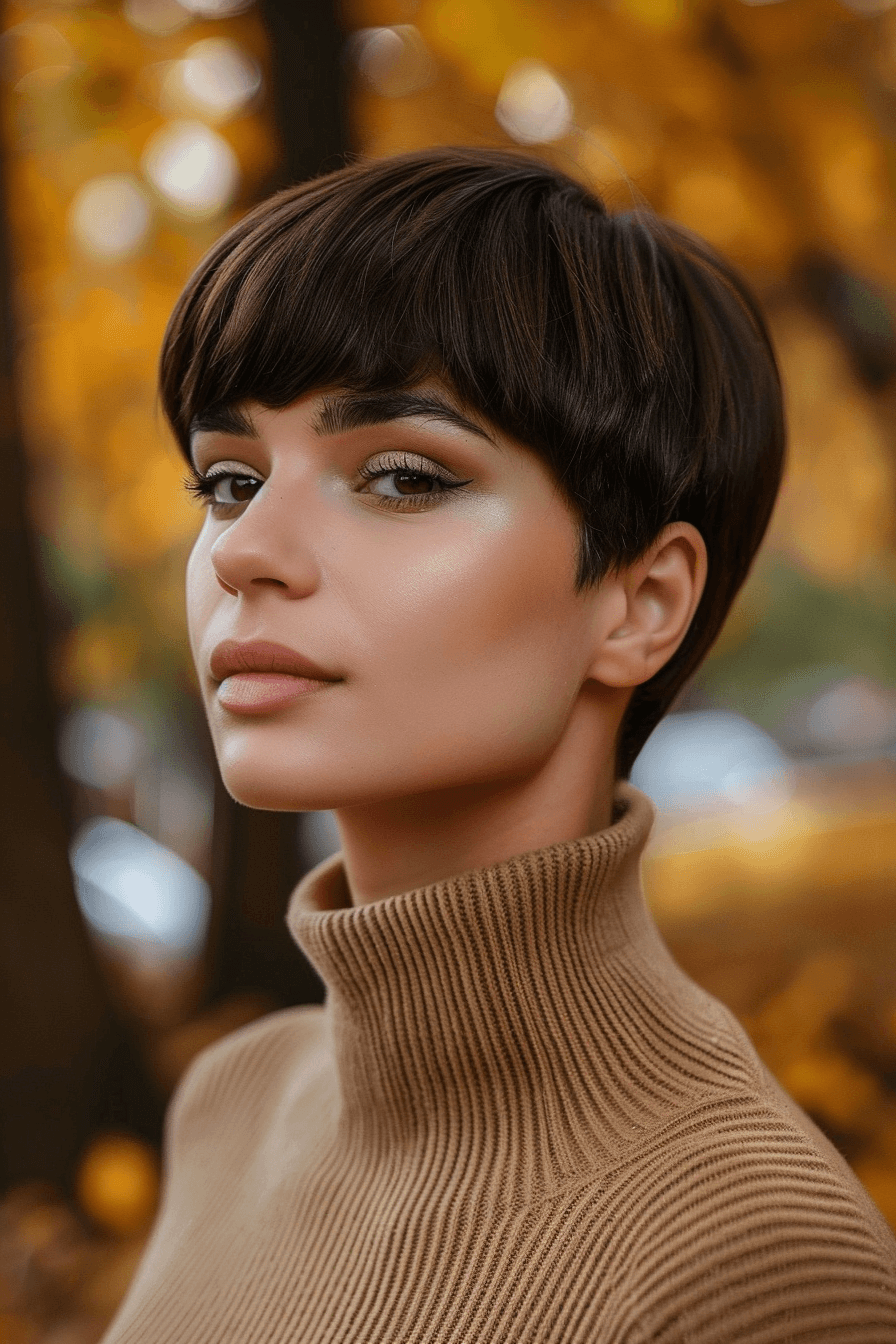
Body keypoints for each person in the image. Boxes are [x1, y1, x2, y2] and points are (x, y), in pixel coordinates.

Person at [103, 148, 896, 1343]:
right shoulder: (234, 1100)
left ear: (640, 603)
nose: (241, 552)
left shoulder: (753, 1259)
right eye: (227, 480)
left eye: (402, 477)